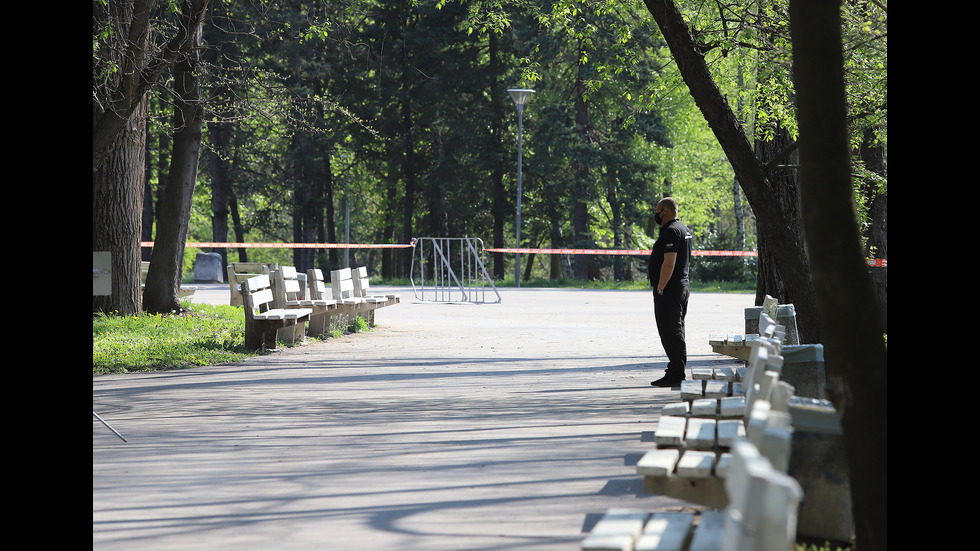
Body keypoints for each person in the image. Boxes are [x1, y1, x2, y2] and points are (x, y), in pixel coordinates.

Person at [648, 197, 693, 387]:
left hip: (670, 289)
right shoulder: (683, 229)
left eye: (657, 211)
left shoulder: (671, 232)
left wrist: (660, 287)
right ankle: (675, 369)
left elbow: (669, 263)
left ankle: (676, 373)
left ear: (664, 211)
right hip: (681, 287)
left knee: (670, 331)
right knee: (676, 329)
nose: (656, 215)